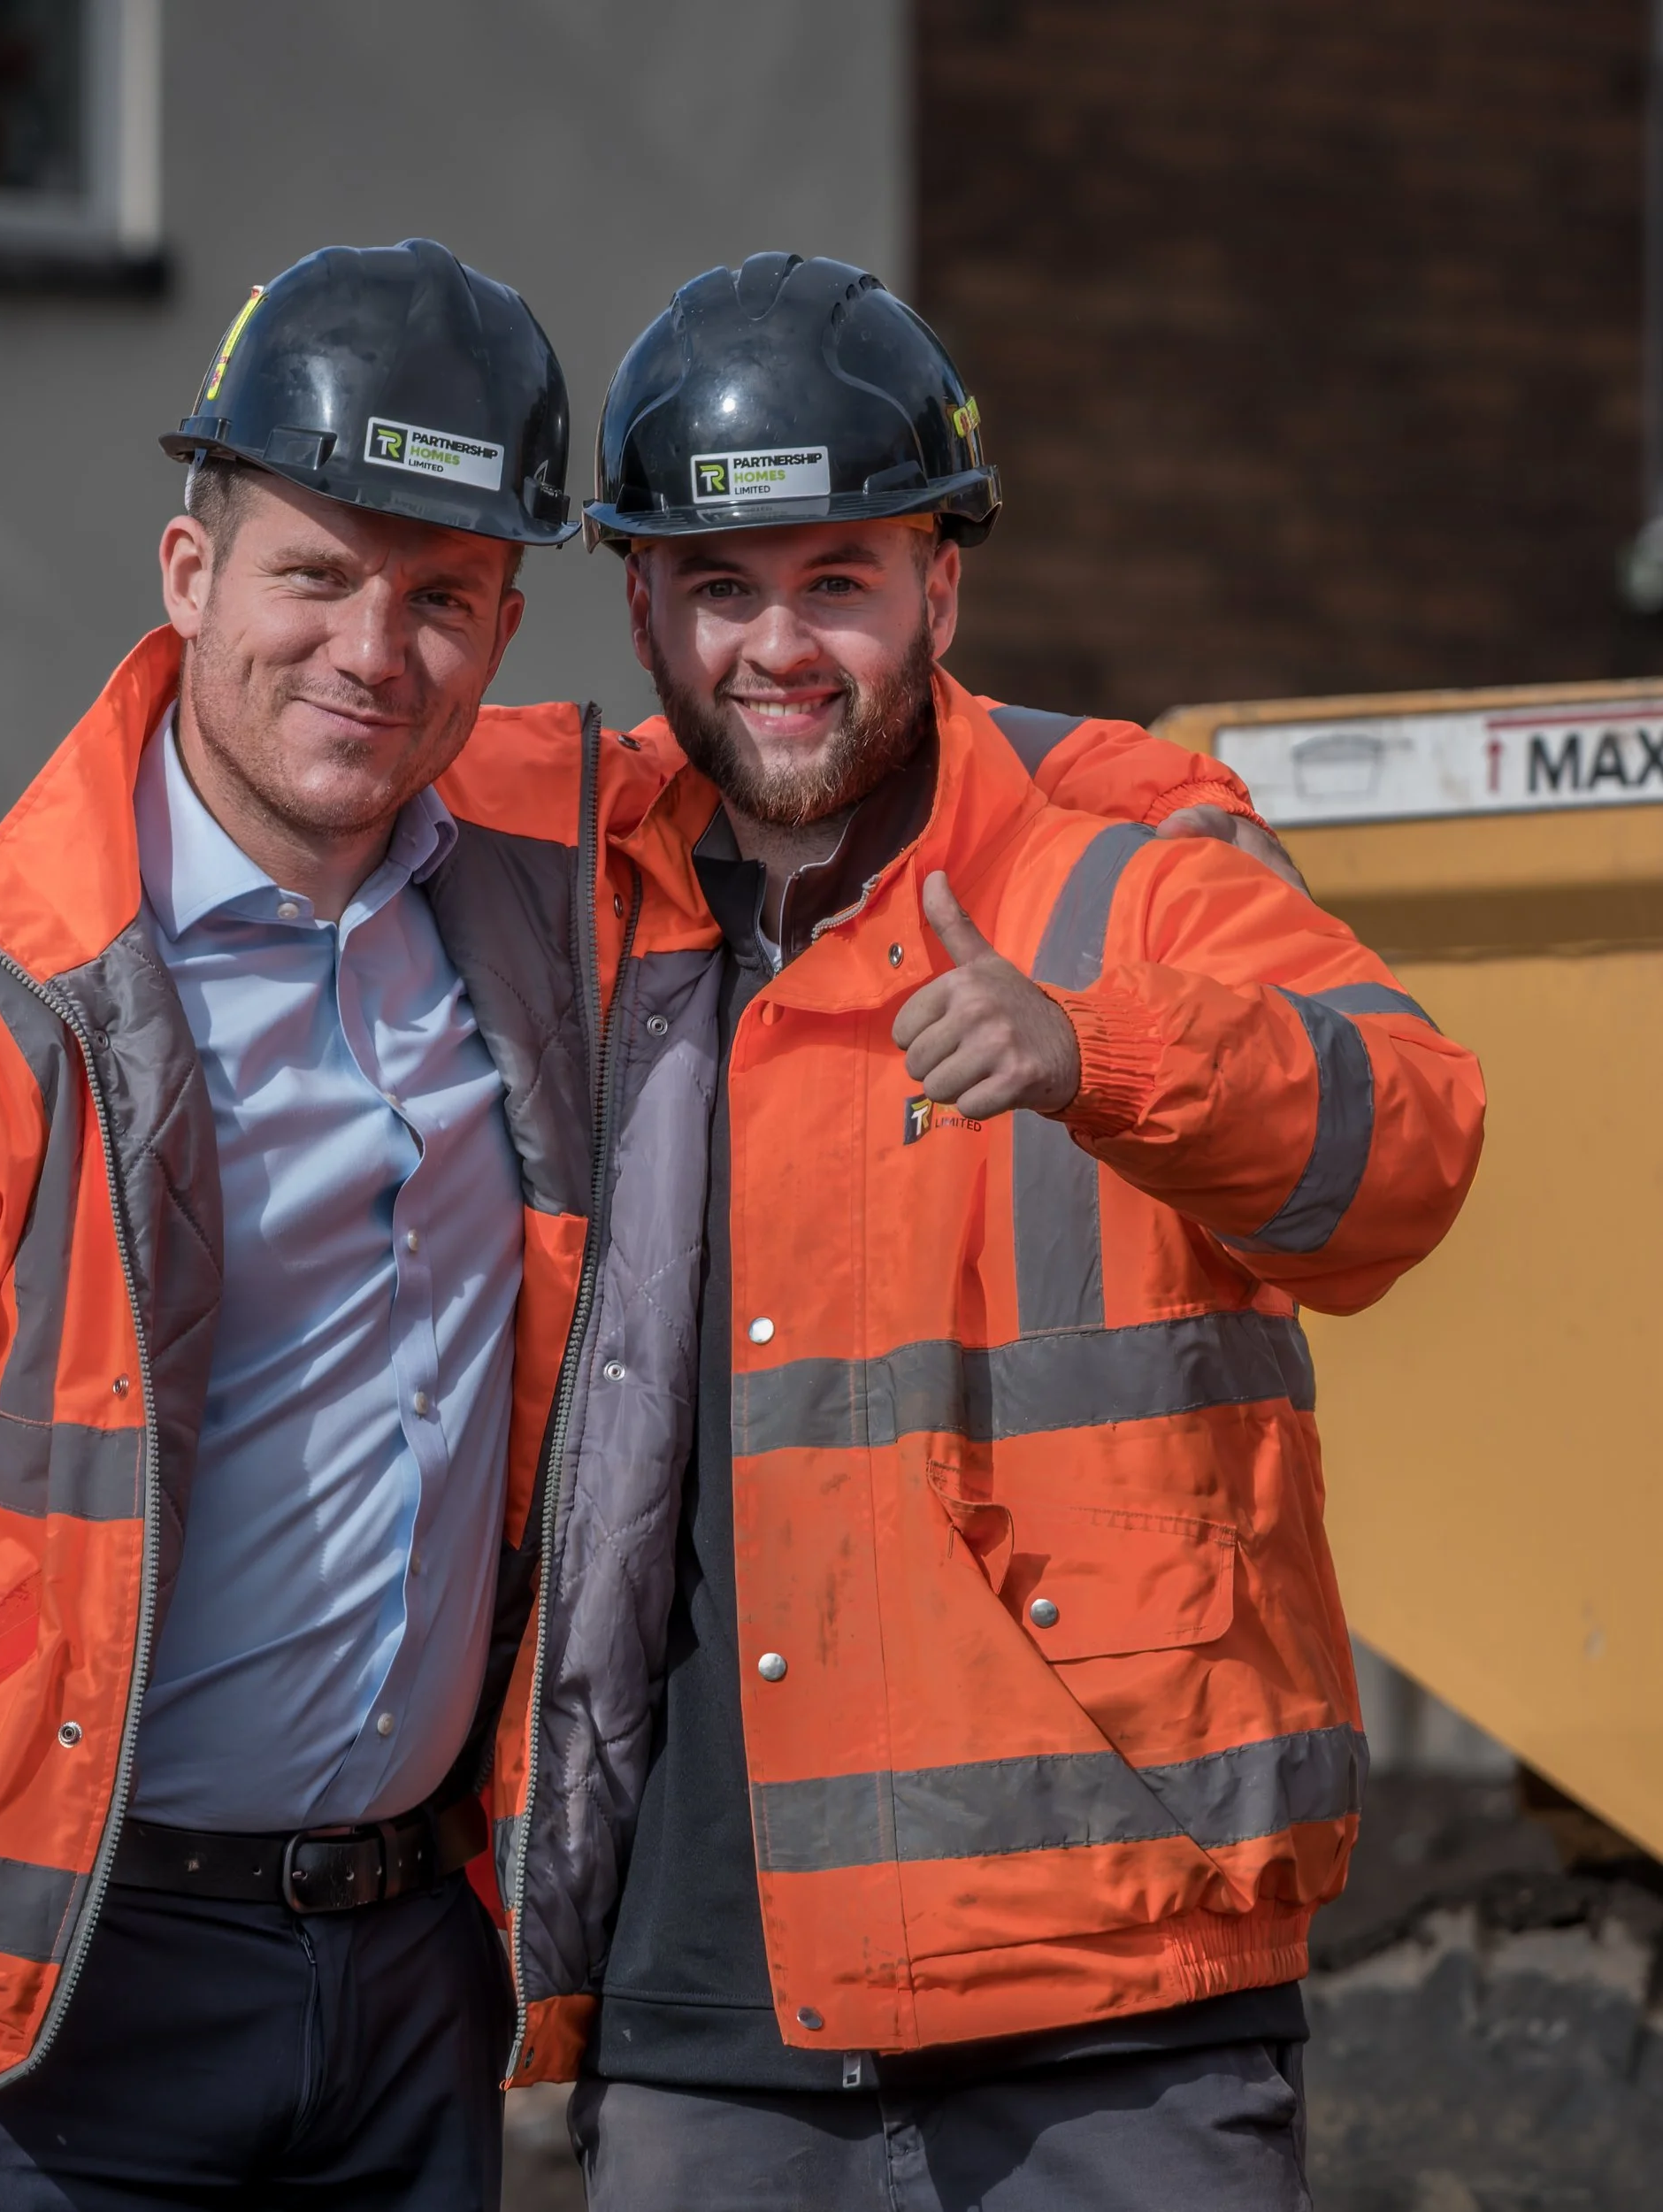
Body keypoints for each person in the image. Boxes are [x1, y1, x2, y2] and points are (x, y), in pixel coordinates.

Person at [0, 234, 1382, 2209]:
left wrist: (1153, 808)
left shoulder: (533, 876)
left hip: (398, 1990)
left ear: (521, 620)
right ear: (188, 573)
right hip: (33, 1989)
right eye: (313, 574)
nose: (373, 652)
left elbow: (849, 747)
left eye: (442, 598)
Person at [464, 257, 1486, 2209]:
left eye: (836, 580)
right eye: (722, 585)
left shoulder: (1126, 861)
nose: (779, 644)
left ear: (943, 585)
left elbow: (1408, 1146)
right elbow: (287, 730)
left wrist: (1098, 1050)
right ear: (641, 605)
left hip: (1111, 2014)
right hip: (709, 2023)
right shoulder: (560, 869)